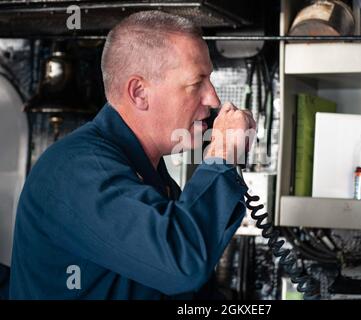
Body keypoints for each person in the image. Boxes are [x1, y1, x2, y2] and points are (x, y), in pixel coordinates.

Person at [9, 10, 256, 299]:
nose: (213, 98)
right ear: (139, 92)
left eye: (210, 80)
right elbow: (181, 264)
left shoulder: (148, 175)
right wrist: (223, 157)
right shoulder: (75, 170)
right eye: (196, 83)